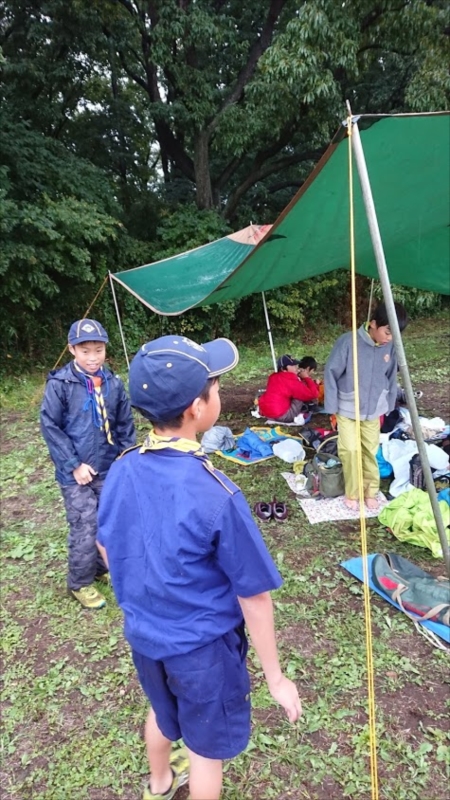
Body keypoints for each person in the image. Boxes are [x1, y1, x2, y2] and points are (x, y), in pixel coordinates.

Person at [96, 335, 302, 800]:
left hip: (146, 638)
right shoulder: (218, 493)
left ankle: (160, 783)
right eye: (214, 386)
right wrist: (275, 677)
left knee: (162, 712)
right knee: (206, 752)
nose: (218, 392)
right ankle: (179, 781)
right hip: (203, 653)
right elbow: (254, 596)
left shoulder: (124, 467)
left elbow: (105, 547)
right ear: (197, 408)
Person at [40, 318, 136, 609]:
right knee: (85, 525)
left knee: (108, 520)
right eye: (85, 351)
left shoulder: (113, 382)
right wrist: (73, 464)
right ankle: (79, 582)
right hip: (77, 473)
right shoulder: (61, 384)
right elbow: (50, 426)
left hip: (107, 467)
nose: (93, 358)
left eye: (98, 350)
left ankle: (99, 569)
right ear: (72, 349)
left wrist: (127, 456)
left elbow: (123, 422)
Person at [324, 301, 408, 511]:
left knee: (370, 450)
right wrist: (331, 405)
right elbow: (331, 373)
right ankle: (352, 492)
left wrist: (388, 404)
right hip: (347, 407)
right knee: (350, 450)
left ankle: (370, 491)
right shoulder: (348, 342)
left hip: (374, 409)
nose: (391, 338)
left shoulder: (390, 348)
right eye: (388, 332)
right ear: (373, 323)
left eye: (395, 334)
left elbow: (390, 378)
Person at [258, 353, 319, 422]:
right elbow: (313, 394)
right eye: (293, 365)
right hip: (282, 416)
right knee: (300, 395)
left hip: (268, 415)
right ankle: (309, 406)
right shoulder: (290, 379)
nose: (296, 367)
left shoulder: (273, 377)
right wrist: (307, 378)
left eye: (296, 365)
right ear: (283, 369)